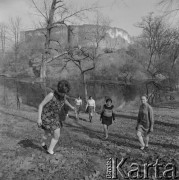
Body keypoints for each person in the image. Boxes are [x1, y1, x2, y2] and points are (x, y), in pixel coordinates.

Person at [37, 80, 76, 155]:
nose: (63, 94)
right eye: (62, 93)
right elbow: (41, 105)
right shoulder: (51, 95)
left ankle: (50, 150)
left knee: (57, 135)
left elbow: (65, 100)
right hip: (46, 117)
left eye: (65, 93)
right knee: (48, 134)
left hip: (55, 117)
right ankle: (42, 142)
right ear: (58, 89)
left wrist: (71, 106)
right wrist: (39, 118)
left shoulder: (63, 95)